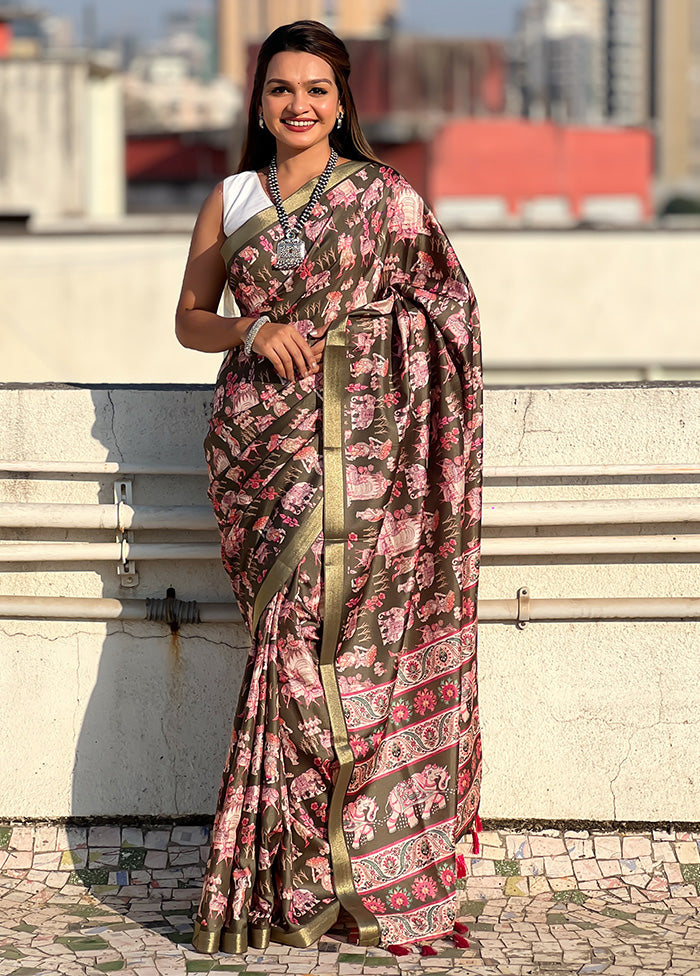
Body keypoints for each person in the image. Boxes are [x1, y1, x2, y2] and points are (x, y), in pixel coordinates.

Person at [175, 19, 483, 958]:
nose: (298, 105)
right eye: (280, 89)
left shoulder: (387, 200)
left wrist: (367, 339)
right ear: (259, 104)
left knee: (324, 647)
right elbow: (189, 320)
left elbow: (452, 310)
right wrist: (251, 328)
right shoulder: (230, 199)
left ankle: (331, 873)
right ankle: (278, 881)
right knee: (285, 637)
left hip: (369, 445)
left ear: (342, 102)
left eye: (316, 88)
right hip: (259, 453)